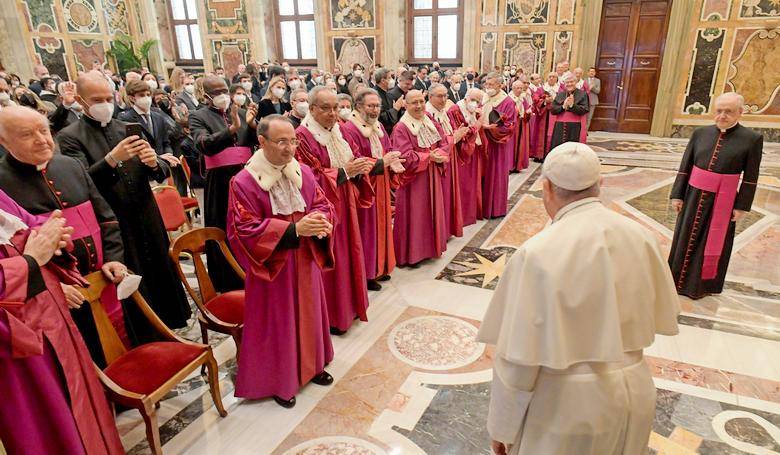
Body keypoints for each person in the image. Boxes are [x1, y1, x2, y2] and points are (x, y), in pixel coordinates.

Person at [478, 142, 680, 455]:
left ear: (546, 187)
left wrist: (502, 427)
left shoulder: (537, 253)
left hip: (568, 408)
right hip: (637, 393)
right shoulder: (641, 236)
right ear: (600, 184)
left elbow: (517, 362)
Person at [57, 71, 191, 331]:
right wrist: (111, 159)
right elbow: (80, 182)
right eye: (97, 100)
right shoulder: (70, 137)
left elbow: (158, 170)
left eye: (109, 98)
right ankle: (143, 330)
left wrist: (154, 163)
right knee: (131, 272)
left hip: (146, 209)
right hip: (114, 217)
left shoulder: (126, 128)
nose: (105, 105)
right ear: (81, 101)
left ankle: (169, 321)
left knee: (159, 267)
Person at [0, 106, 129, 366]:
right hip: (61, 296)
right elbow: (15, 253)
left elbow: (106, 216)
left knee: (120, 347)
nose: (41, 140)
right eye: (27, 134)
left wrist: (113, 257)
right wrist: (53, 288)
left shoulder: (71, 165)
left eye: (44, 130)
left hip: (102, 276)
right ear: (4, 141)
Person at [0, 187, 125, 454]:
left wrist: (52, 235)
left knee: (85, 412)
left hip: (53, 320)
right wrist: (30, 261)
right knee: (49, 426)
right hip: (19, 349)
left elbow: (32, 223)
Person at [227, 115, 335, 409]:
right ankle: (279, 380)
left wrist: (321, 219)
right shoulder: (244, 182)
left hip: (305, 259)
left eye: (294, 141)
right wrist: (293, 230)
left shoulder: (302, 171)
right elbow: (244, 229)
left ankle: (313, 366)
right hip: (273, 266)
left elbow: (322, 203)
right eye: (282, 142)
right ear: (261, 142)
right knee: (279, 323)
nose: (290, 149)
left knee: (310, 313)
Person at [669, 92, 763, 300]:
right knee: (684, 237)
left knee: (711, 243)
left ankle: (700, 286)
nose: (722, 116)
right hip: (692, 196)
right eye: (719, 111)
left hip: (724, 199)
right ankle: (674, 280)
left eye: (728, 112)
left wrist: (741, 206)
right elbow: (685, 166)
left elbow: (751, 177)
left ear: (740, 112)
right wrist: (677, 195)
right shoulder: (700, 133)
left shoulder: (752, 139)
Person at [296, 86, 372, 334]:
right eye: (326, 108)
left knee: (350, 252)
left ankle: (350, 307)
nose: (332, 113)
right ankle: (333, 315)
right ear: (312, 109)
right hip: (324, 207)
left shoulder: (339, 130)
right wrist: (343, 172)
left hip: (346, 200)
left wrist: (359, 167)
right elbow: (307, 177)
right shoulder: (303, 137)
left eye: (335, 108)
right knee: (334, 256)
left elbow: (355, 155)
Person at [189, 76, 258, 293]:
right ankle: (228, 280)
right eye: (216, 92)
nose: (222, 96)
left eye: (224, 91)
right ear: (205, 95)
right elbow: (203, 144)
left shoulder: (241, 111)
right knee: (223, 228)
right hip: (220, 182)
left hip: (247, 177)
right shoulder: (198, 116)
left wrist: (252, 126)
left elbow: (255, 142)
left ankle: (252, 273)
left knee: (249, 225)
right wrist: (231, 130)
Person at [341, 89, 404, 289]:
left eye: (377, 106)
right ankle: (368, 273)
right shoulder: (350, 129)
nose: (375, 110)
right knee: (368, 229)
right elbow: (355, 159)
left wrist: (393, 160)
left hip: (381, 183)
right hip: (366, 187)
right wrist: (381, 163)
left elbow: (387, 148)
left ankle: (381, 266)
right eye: (370, 106)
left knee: (383, 225)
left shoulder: (377, 125)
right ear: (359, 106)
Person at [391, 90, 449, 266]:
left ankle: (430, 249)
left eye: (421, 102)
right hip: (414, 180)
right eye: (414, 103)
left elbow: (444, 142)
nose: (419, 106)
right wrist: (428, 157)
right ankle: (412, 255)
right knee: (415, 215)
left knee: (431, 212)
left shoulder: (429, 119)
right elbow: (404, 156)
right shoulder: (401, 128)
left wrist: (440, 153)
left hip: (432, 175)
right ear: (406, 105)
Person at [426, 83, 464, 238]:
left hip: (449, 156)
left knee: (448, 194)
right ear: (430, 97)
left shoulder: (443, 113)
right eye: (439, 96)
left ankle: (447, 229)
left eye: (445, 96)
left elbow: (450, 133)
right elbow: (434, 143)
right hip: (438, 161)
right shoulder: (428, 115)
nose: (443, 99)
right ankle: (440, 232)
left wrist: (457, 135)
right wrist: (454, 138)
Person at [481, 72, 517, 218]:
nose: (488, 87)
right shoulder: (484, 98)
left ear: (500, 85)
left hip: (496, 144)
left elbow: (509, 126)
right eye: (487, 84)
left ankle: (494, 208)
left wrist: (491, 129)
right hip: (481, 142)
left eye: (491, 84)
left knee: (495, 174)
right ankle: (480, 207)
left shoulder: (507, 102)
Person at [448, 88, 486, 226]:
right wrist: (478, 124)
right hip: (461, 154)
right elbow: (460, 134)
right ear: (466, 98)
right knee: (463, 185)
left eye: (478, 101)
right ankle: (462, 216)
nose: (475, 103)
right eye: (473, 100)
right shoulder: (455, 110)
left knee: (472, 184)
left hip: (473, 150)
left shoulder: (475, 110)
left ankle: (471, 213)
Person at [549, 74, 589, 150]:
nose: (569, 84)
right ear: (564, 84)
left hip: (575, 127)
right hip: (559, 127)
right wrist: (563, 107)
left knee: (572, 148)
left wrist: (572, 106)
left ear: (576, 82)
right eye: (567, 82)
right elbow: (553, 110)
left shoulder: (583, 94)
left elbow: (585, 109)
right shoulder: (560, 94)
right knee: (558, 148)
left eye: (571, 82)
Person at [508, 78, 531, 172]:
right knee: (511, 146)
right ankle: (510, 166)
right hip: (512, 125)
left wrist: (528, 113)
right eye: (517, 88)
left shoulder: (522, 99)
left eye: (521, 88)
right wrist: (515, 113)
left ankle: (518, 165)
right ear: (513, 88)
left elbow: (527, 109)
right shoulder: (508, 99)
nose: (520, 90)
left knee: (520, 145)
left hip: (521, 124)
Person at [375, 68, 404, 134]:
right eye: (389, 78)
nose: (392, 80)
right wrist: (395, 109)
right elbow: (381, 117)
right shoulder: (375, 95)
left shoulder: (387, 93)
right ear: (383, 80)